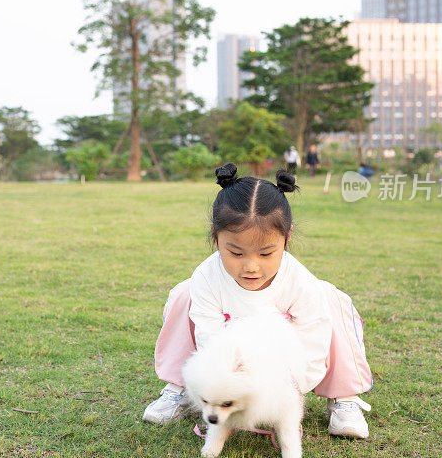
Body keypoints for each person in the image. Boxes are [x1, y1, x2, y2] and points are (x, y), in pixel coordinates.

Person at [142, 163, 374, 439]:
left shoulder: (300, 282)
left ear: (286, 240)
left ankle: (343, 396)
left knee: (332, 297)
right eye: (236, 253)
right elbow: (210, 339)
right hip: (231, 357)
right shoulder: (207, 277)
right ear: (216, 238)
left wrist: (289, 389)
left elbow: (313, 340)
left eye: (265, 254)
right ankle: (180, 388)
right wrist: (223, 383)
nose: (251, 267)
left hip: (282, 358)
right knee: (184, 293)